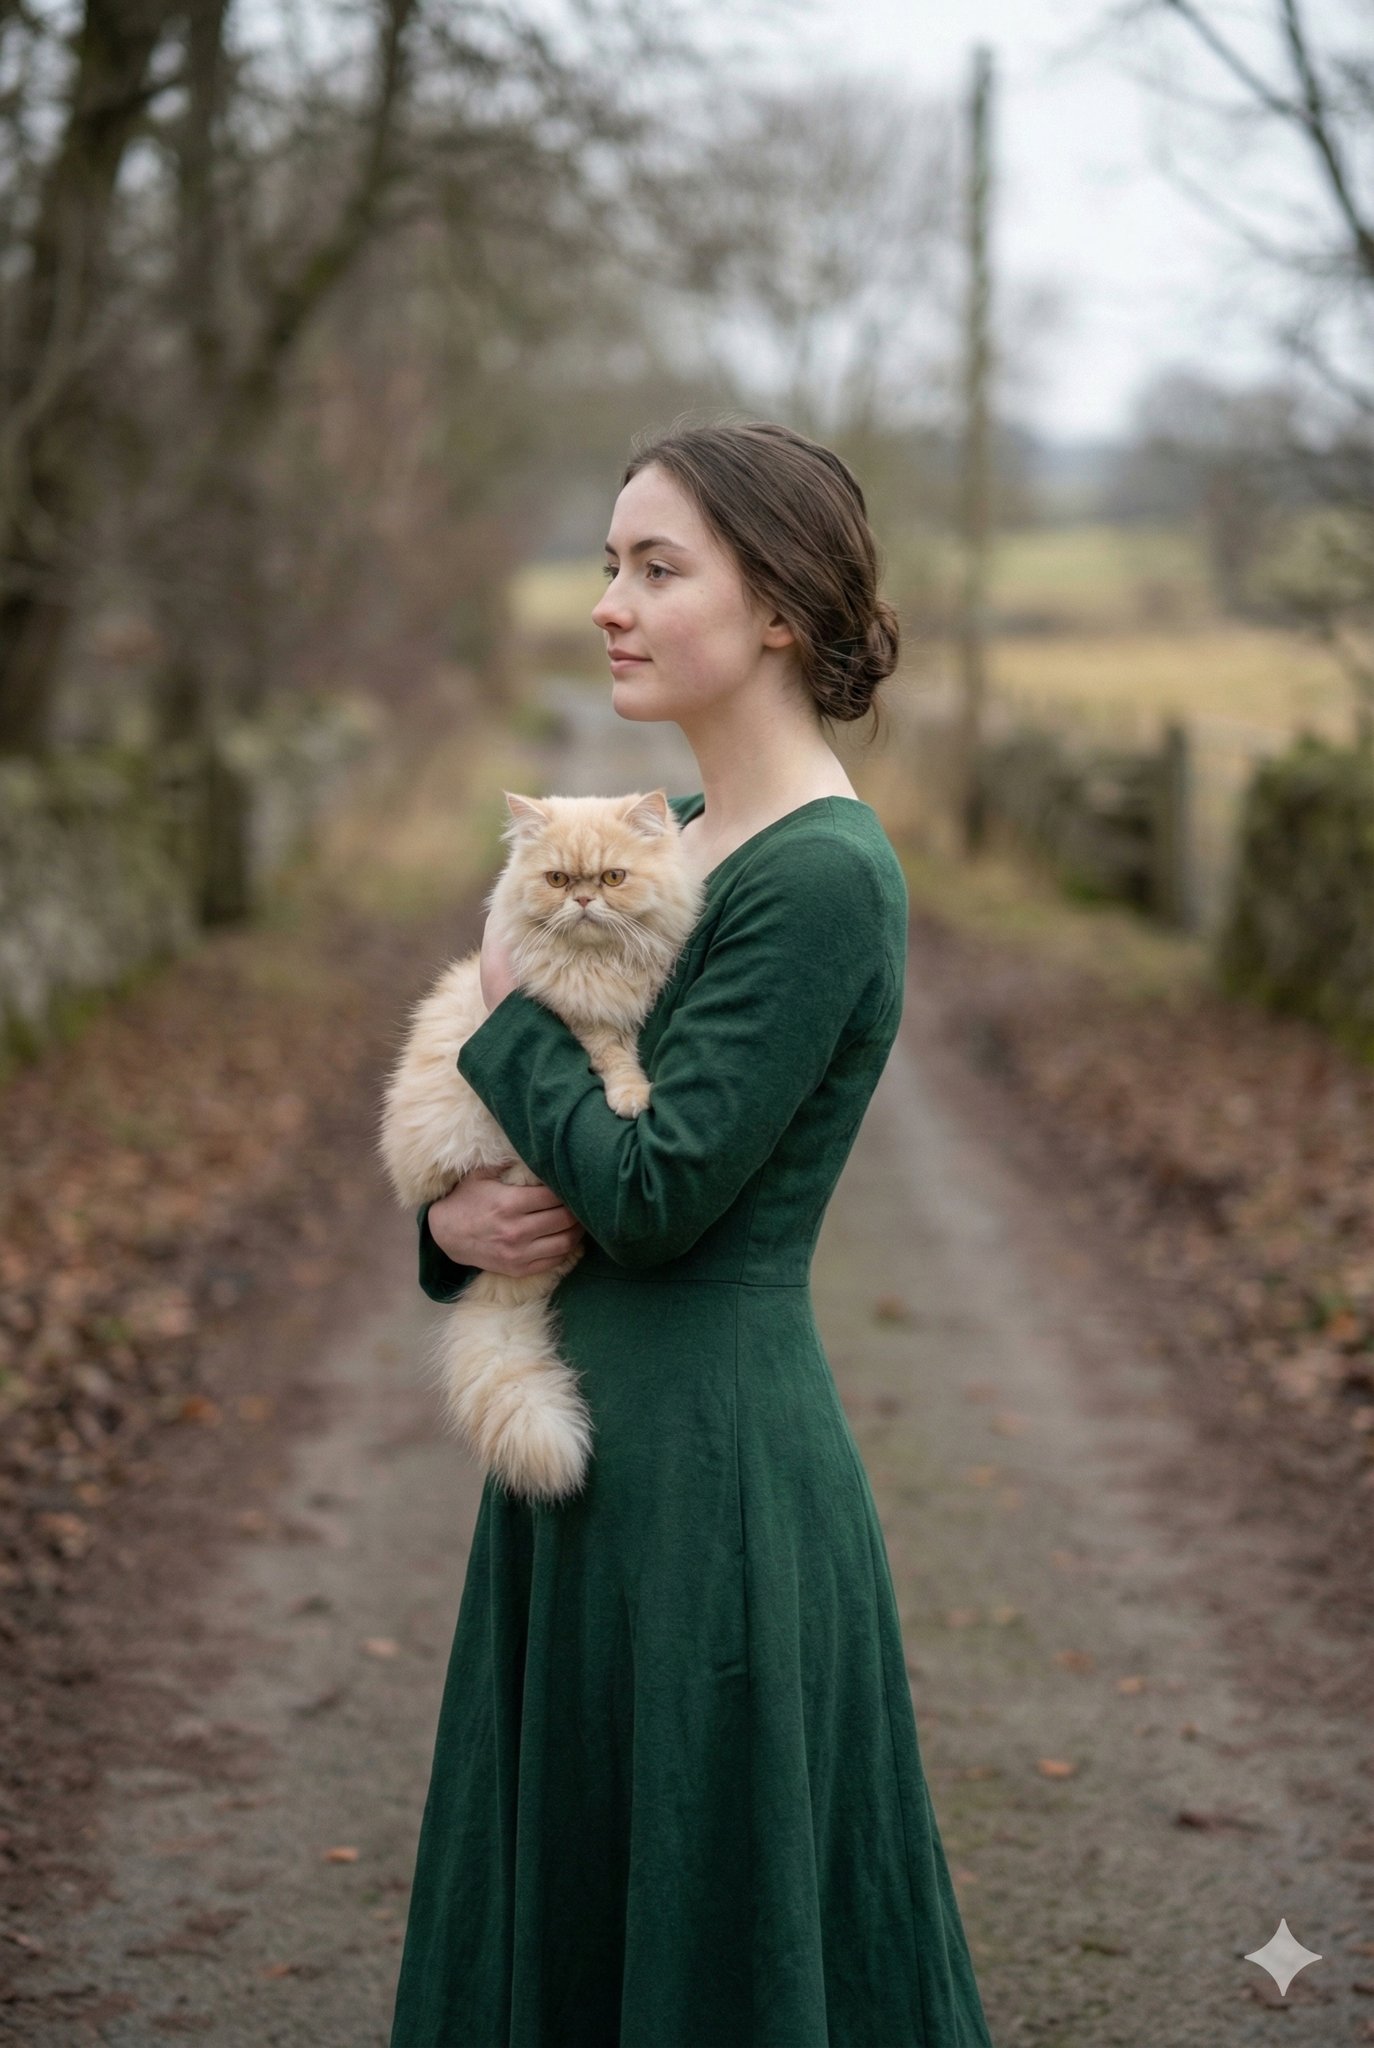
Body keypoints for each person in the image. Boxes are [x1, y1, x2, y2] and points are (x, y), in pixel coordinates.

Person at [388, 420, 995, 2047]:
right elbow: (548, 1146)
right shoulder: (664, 829)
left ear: (779, 608)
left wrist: (511, 1009)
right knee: (577, 1908)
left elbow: (657, 1195)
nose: (611, 602)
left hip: (709, 1476)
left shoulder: (819, 877)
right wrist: (455, 1221)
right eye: (607, 565)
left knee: (702, 1931)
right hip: (584, 1447)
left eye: (657, 568)